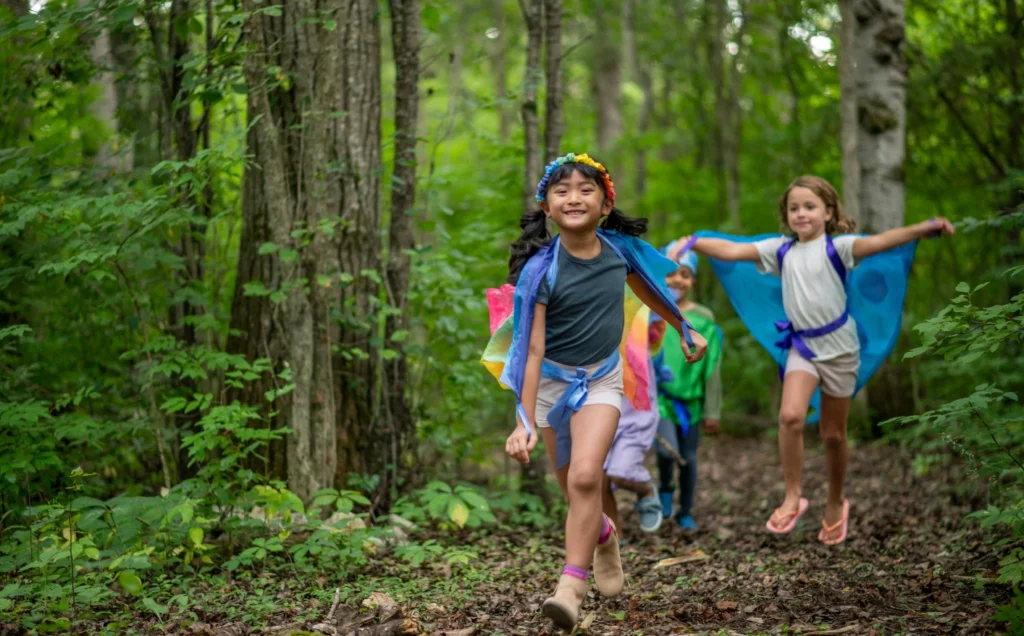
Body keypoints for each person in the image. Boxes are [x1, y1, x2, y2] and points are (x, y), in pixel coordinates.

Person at [481, 152, 707, 631]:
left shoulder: (619, 252)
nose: (574, 197)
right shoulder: (540, 271)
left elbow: (648, 288)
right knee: (573, 491)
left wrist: (682, 326)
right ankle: (604, 534)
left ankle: (570, 588)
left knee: (587, 478)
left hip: (602, 379)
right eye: (562, 190)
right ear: (547, 207)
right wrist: (522, 420)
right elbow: (531, 350)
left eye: (586, 189)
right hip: (549, 385)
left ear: (605, 205)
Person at [672, 175, 954, 545]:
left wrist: (923, 229)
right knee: (790, 417)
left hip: (840, 350)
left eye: (809, 206)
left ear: (829, 212)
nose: (801, 214)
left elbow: (881, 241)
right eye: (794, 208)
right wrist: (692, 242)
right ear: (786, 215)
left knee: (833, 434)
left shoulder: (840, 248)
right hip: (801, 347)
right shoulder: (780, 251)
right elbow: (733, 250)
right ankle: (793, 496)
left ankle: (836, 501)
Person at [653, 245, 723, 533]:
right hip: (660, 399)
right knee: (666, 451)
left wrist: (712, 410)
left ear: (693, 280)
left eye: (685, 274)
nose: (677, 280)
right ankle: (665, 487)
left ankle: (686, 511)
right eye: (670, 273)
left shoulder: (704, 318)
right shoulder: (653, 310)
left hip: (692, 403)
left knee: (689, 458)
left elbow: (713, 366)